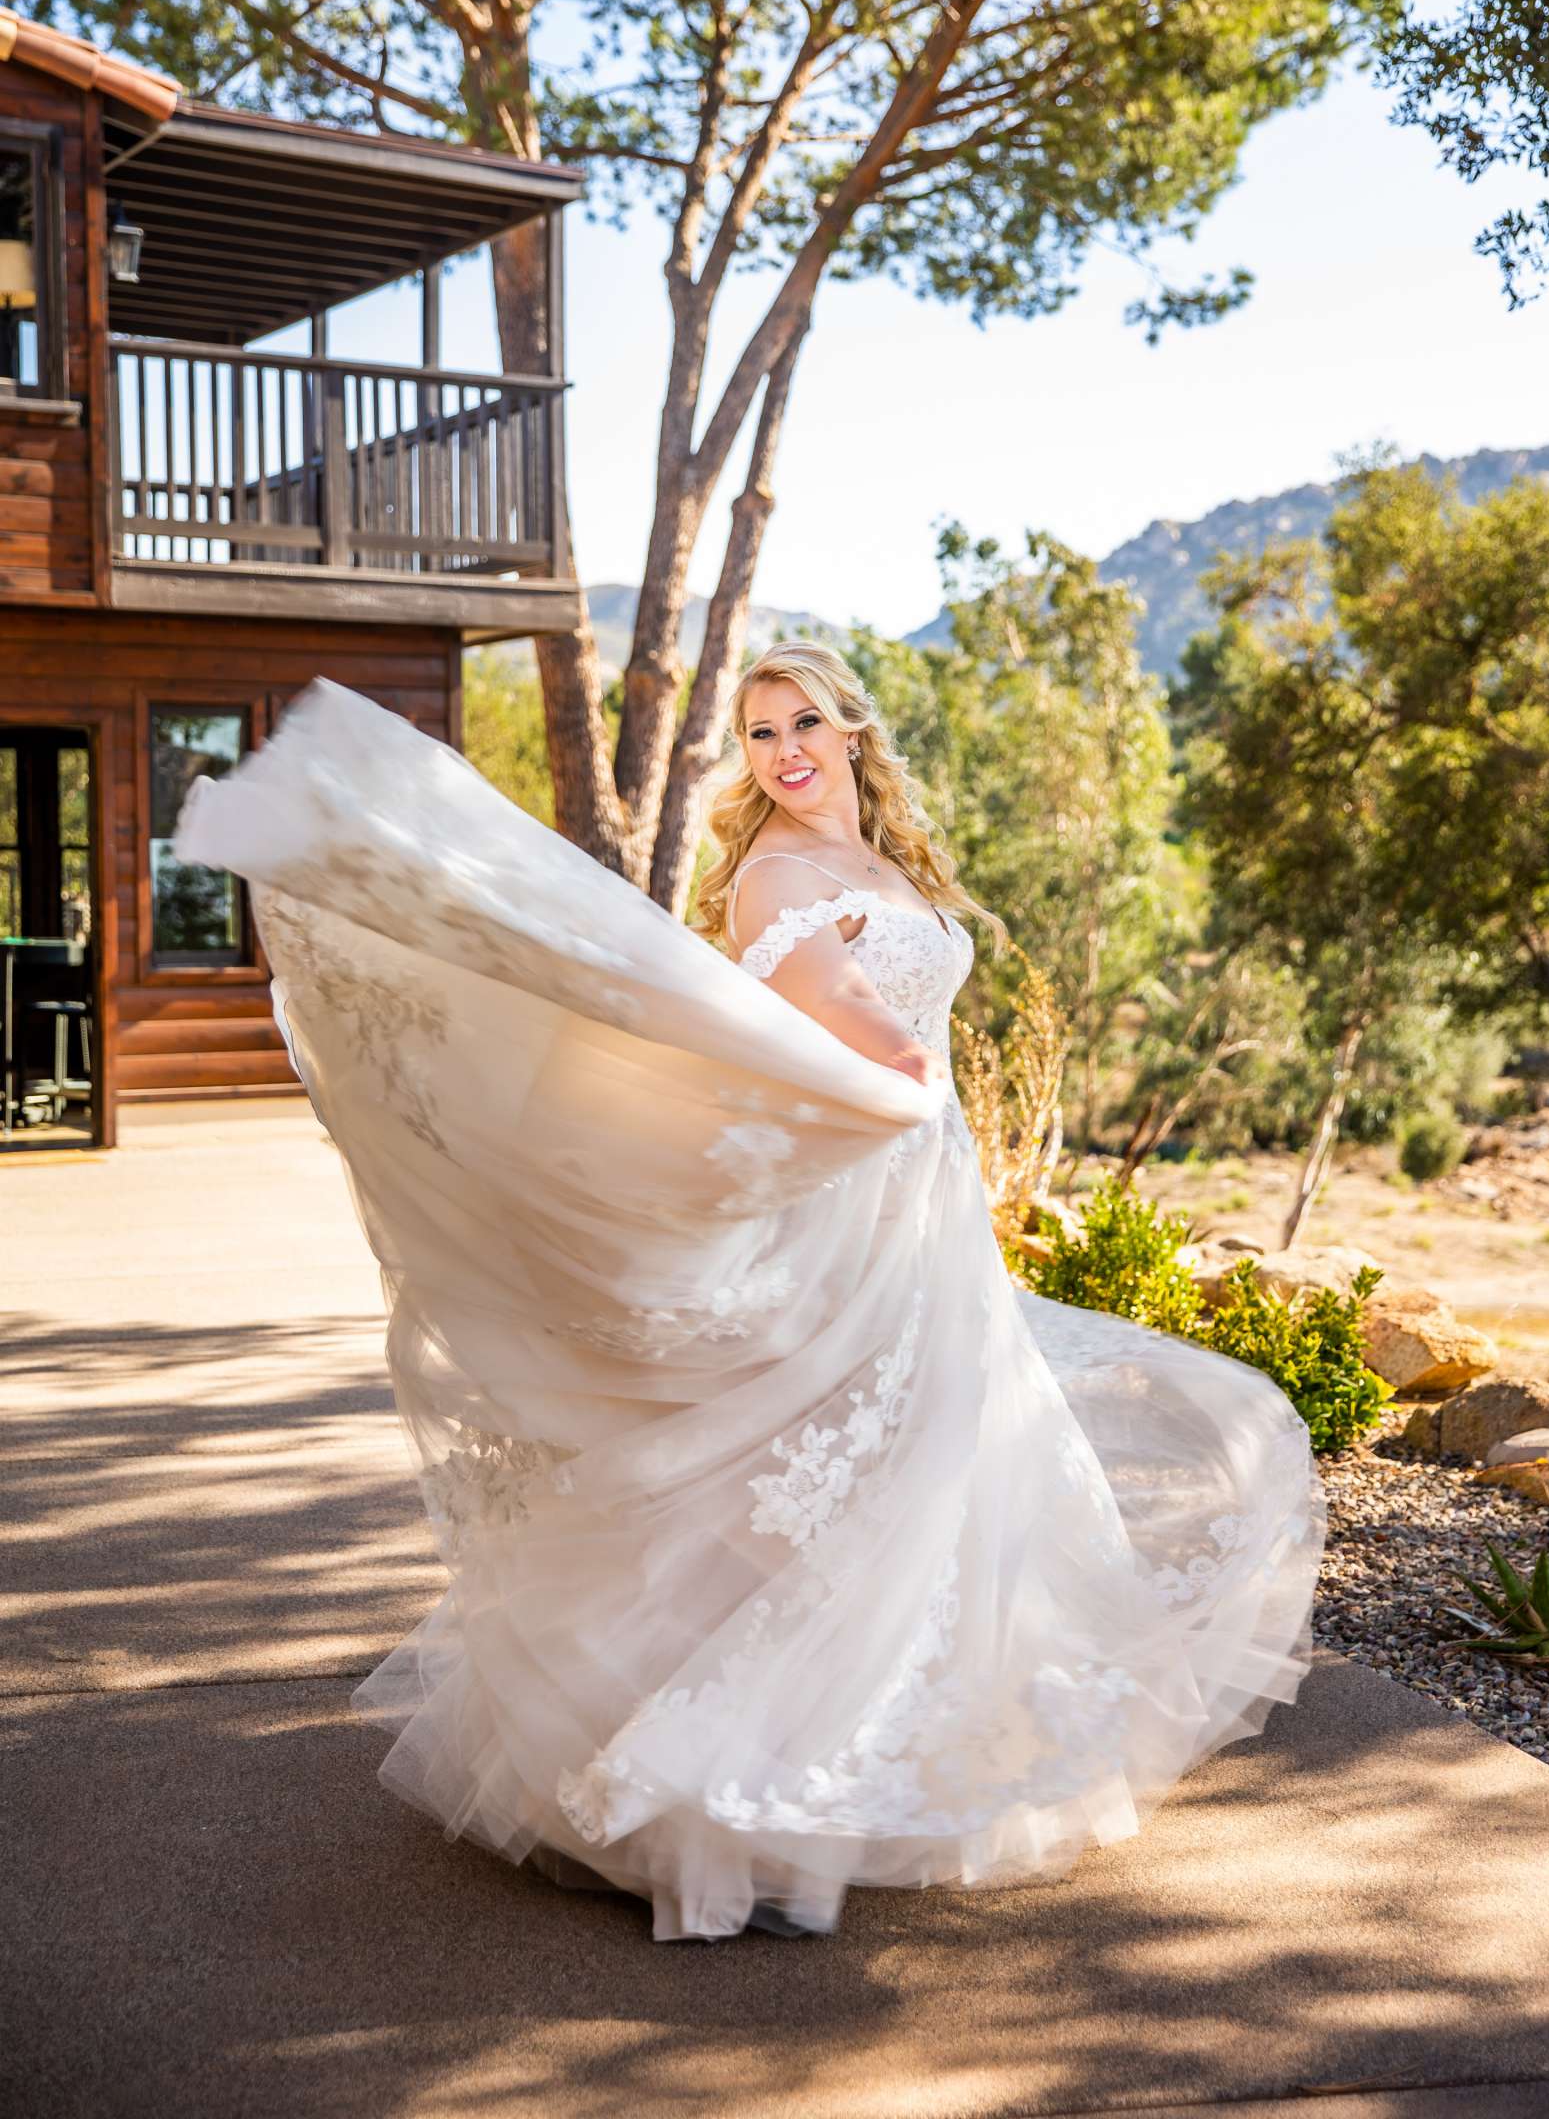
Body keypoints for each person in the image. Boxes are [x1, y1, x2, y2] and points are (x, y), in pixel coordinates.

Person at [174, 642, 1325, 1943]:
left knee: (939, 1463)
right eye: (761, 731)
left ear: (851, 735)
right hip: (868, 1197)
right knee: (861, 1463)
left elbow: (908, 1020)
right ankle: (729, 1773)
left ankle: (918, 1736)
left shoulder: (888, 865)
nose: (784, 750)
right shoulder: (777, 871)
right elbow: (833, 1018)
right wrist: (906, 1074)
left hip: (923, 1194)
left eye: (806, 724)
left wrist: (930, 1099)